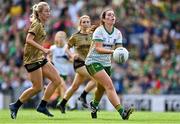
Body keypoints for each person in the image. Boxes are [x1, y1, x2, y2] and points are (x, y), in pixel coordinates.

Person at [9, 2, 63, 119]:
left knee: (57, 80)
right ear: (39, 13)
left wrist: (44, 53)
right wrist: (44, 49)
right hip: (32, 59)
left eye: (49, 11)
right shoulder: (37, 25)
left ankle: (42, 105)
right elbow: (28, 40)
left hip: (39, 57)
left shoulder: (42, 24)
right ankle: (15, 105)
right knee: (37, 87)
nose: (48, 13)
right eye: (46, 11)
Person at [85, 8, 134, 120]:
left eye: (113, 15)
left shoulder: (117, 33)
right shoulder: (99, 31)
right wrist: (113, 51)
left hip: (106, 63)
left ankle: (94, 105)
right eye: (109, 15)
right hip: (93, 61)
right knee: (109, 85)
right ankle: (122, 113)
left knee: (101, 88)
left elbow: (119, 48)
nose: (112, 17)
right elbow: (98, 48)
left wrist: (122, 53)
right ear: (103, 19)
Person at [58, 15, 96, 113]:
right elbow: (66, 48)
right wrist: (72, 55)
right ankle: (83, 96)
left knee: (75, 86)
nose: (86, 24)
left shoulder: (93, 35)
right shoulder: (75, 36)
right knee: (96, 78)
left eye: (88, 22)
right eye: (84, 22)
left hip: (88, 62)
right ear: (80, 24)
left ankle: (62, 103)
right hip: (79, 63)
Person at [48, 31, 68, 106]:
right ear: (56, 38)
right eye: (59, 37)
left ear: (65, 38)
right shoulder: (53, 48)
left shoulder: (67, 48)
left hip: (64, 72)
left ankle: (59, 102)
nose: (60, 39)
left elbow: (71, 59)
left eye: (62, 37)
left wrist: (69, 58)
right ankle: (65, 104)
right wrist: (50, 62)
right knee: (63, 85)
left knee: (60, 90)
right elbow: (48, 57)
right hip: (55, 71)